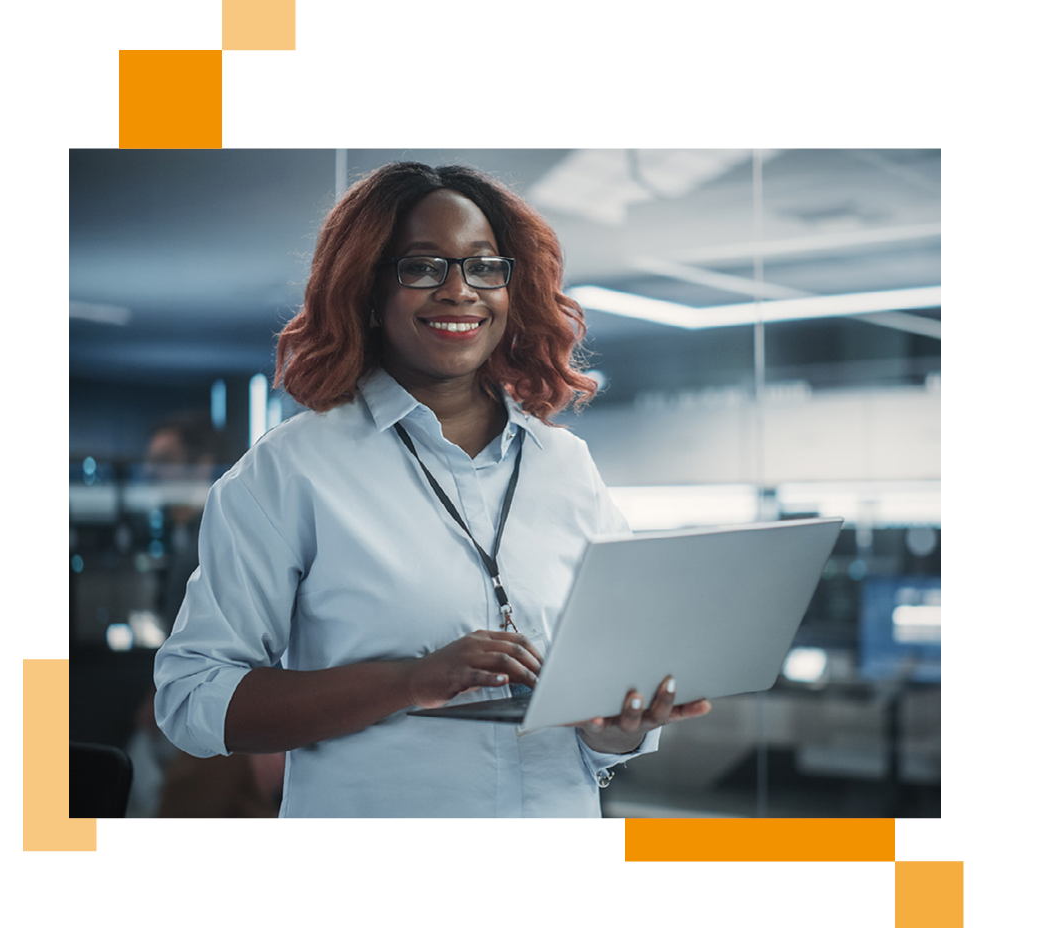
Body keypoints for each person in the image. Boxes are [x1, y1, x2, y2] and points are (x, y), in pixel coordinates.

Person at [153, 162, 711, 818]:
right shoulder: (290, 471)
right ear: (369, 289)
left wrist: (618, 729)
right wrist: (409, 680)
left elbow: (611, 686)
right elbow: (192, 700)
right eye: (422, 266)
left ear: (512, 286)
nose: (459, 290)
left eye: (482, 266)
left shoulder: (567, 467)